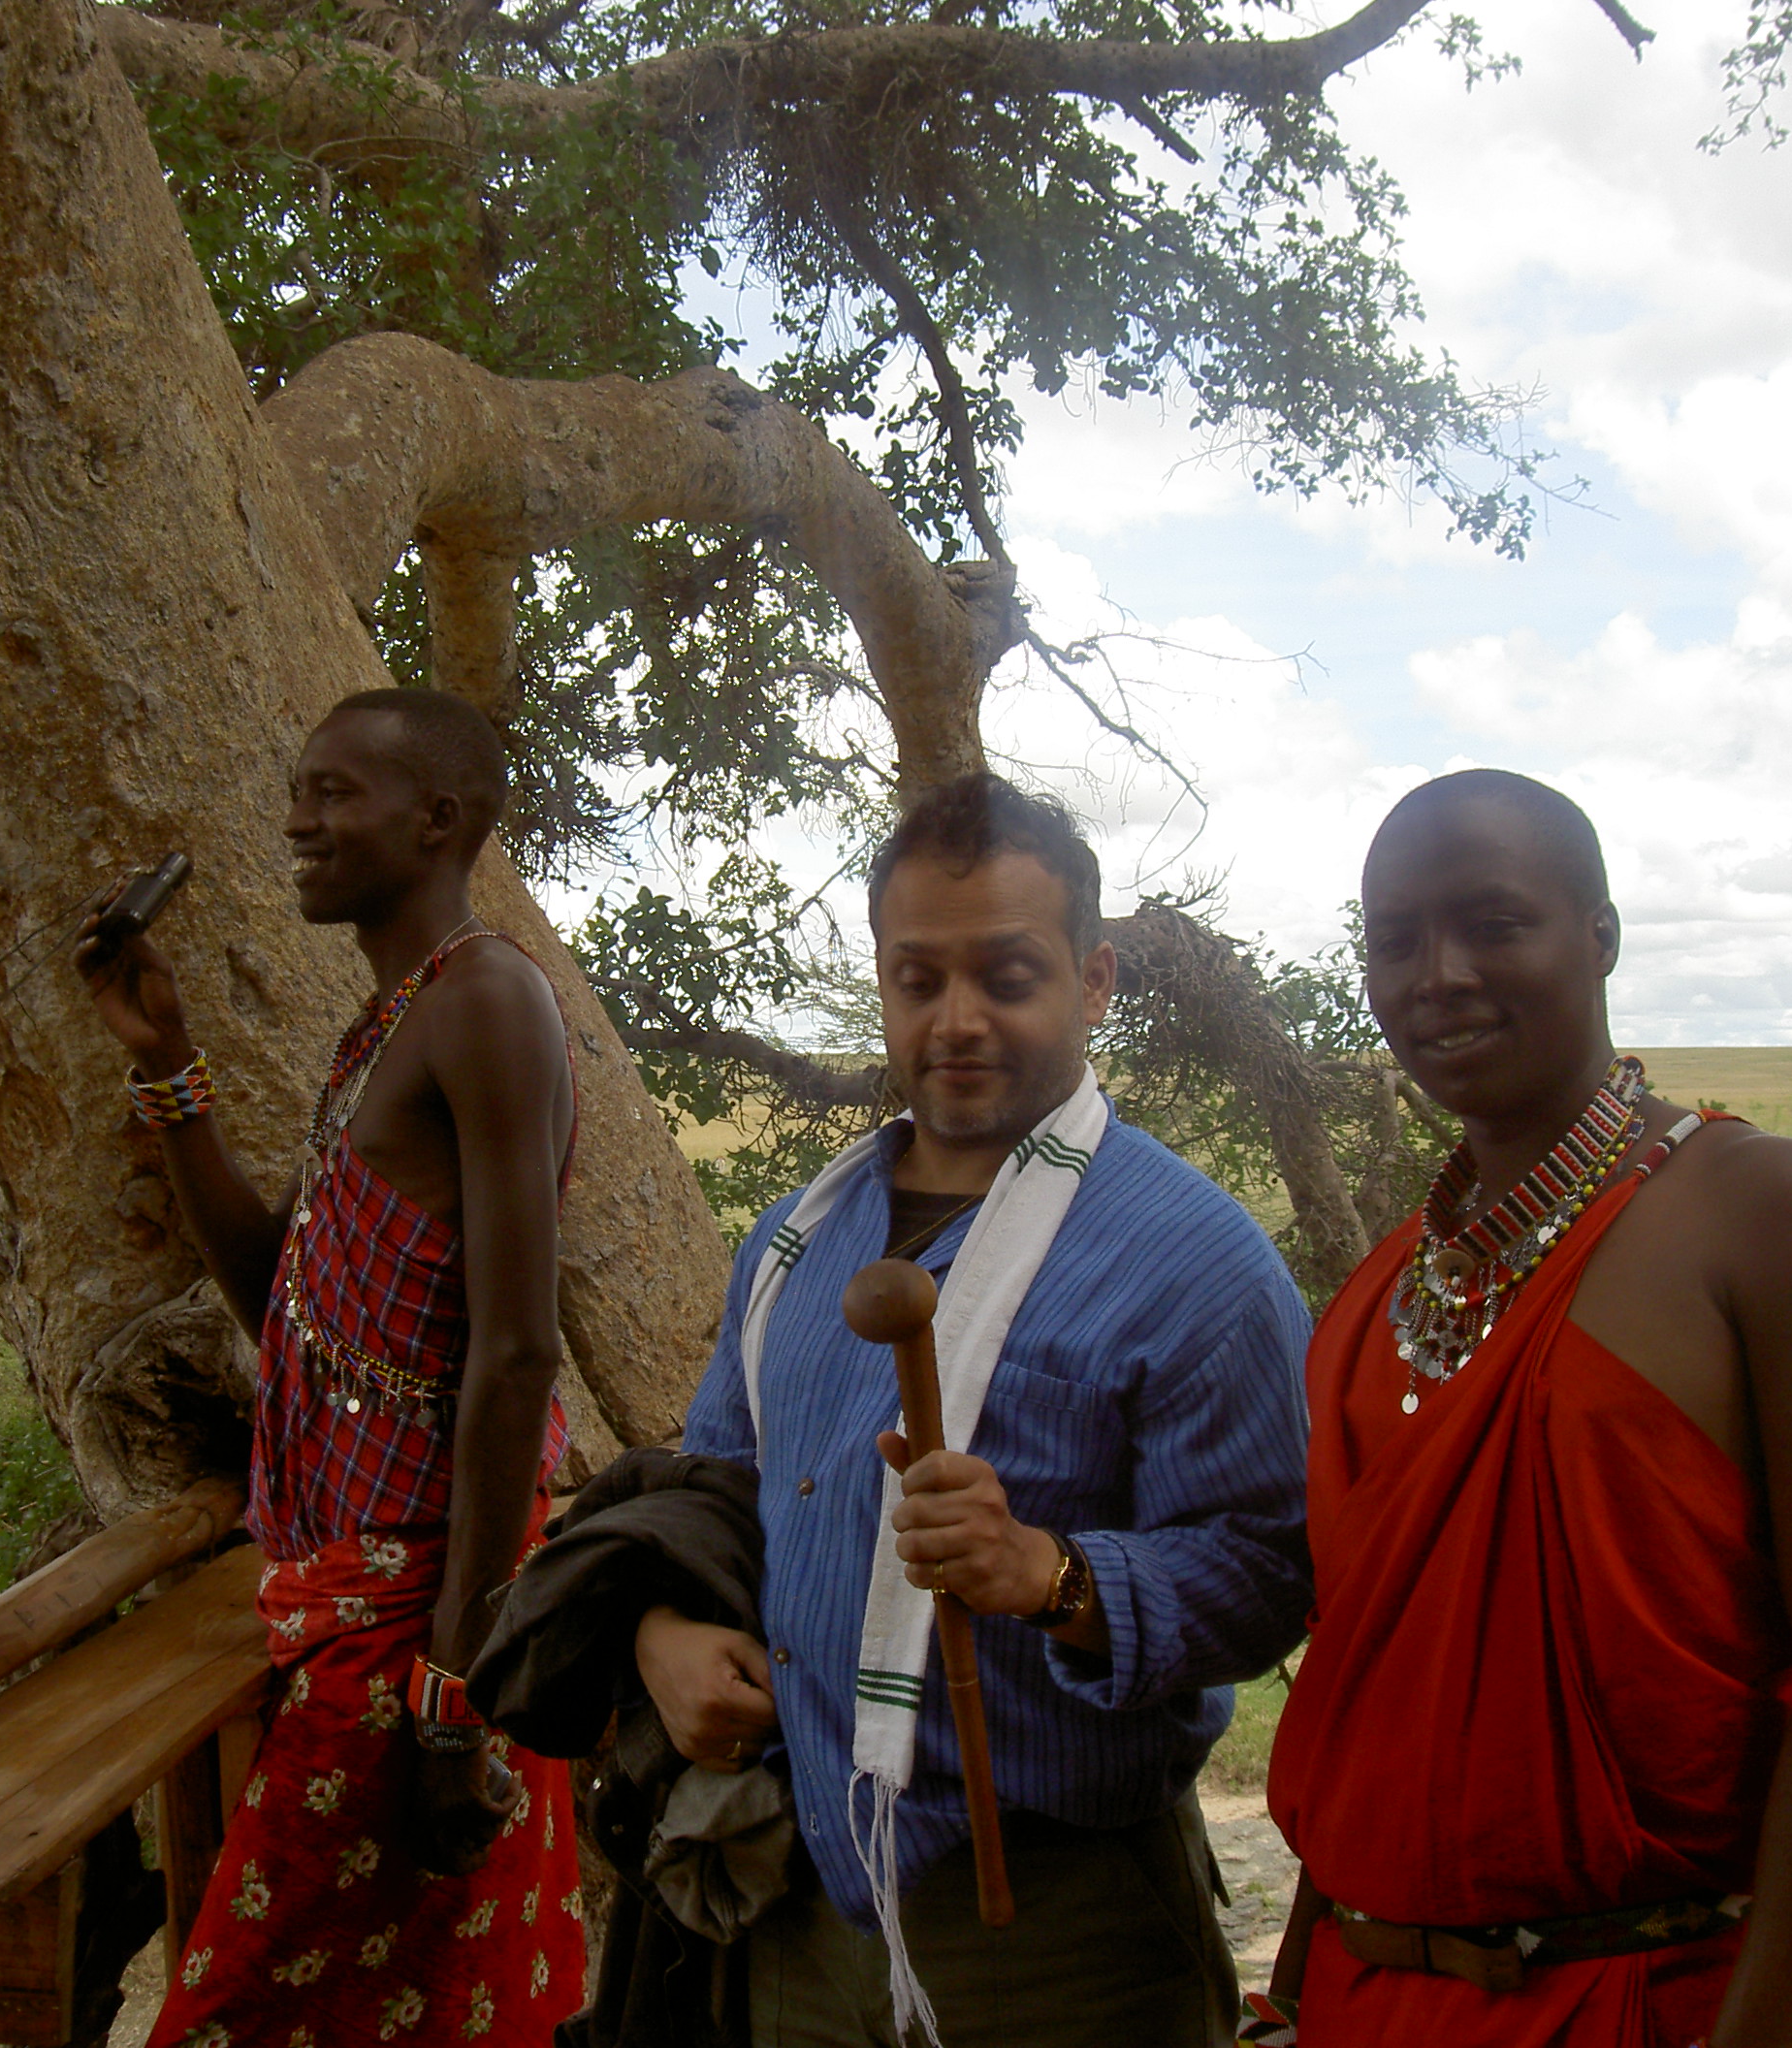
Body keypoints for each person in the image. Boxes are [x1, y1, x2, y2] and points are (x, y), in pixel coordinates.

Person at [1258, 769, 1792, 2048]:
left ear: (1602, 936)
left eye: (1494, 923)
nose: (1436, 974)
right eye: (1394, 941)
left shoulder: (1770, 1216)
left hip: (1641, 1997)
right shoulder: (1377, 1296)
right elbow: (1377, 1698)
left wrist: (1768, 2026)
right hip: (1359, 1997)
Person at [646, 771, 1315, 2048]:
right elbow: (716, 1491)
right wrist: (668, 1630)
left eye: (1007, 976)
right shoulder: (798, 1242)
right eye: (918, 979)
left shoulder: (1199, 1266)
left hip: (1059, 1932)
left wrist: (1051, 1572)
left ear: (1094, 980)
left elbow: (1272, 1571)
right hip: (802, 1901)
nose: (957, 1020)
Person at [77, 688, 584, 2048]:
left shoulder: (487, 999)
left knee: (247, 2006)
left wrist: (454, 1693)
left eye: (334, 793)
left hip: (418, 1627)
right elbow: (288, 1311)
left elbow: (520, 1352)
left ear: (440, 820)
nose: (299, 821)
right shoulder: (390, 1024)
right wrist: (168, 1065)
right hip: (359, 1610)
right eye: (298, 790)